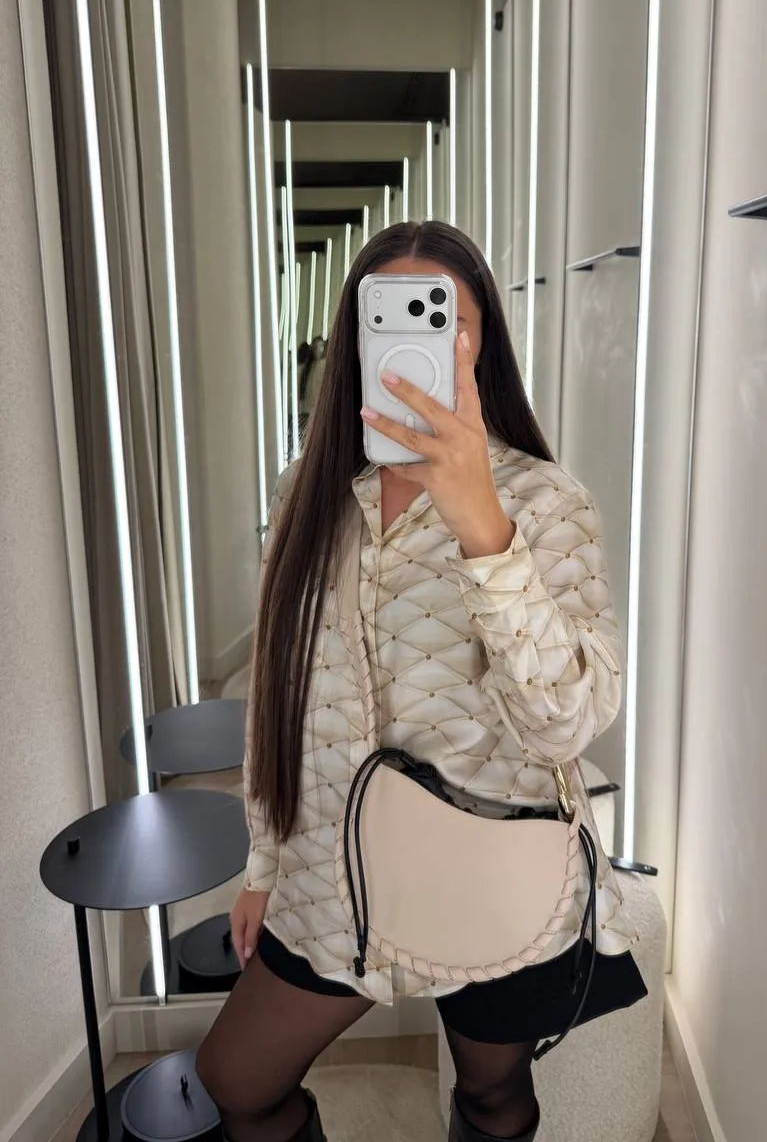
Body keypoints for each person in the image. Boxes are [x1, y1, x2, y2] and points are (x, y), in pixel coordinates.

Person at [196, 222, 646, 1142]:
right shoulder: (306, 495)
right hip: (331, 873)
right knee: (236, 1080)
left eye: (445, 319)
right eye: (385, 316)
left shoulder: (545, 501)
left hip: (491, 862)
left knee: (492, 1097)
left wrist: (483, 525)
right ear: (354, 342)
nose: (417, 339)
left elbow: (567, 722)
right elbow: (277, 694)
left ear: (480, 343)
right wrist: (265, 865)